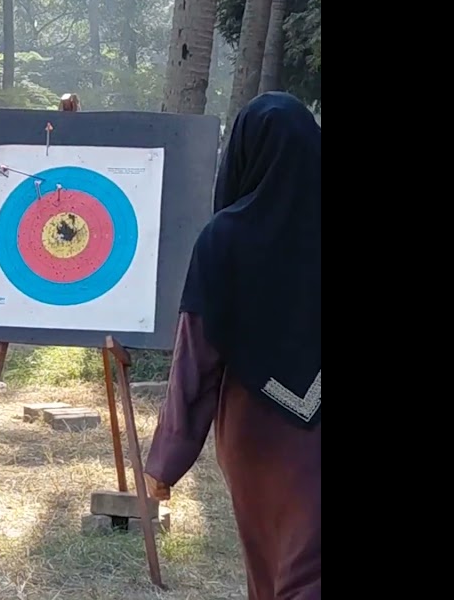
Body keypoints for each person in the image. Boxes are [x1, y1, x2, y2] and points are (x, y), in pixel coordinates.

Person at [144, 92, 321, 600]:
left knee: (274, 568)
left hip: (257, 433)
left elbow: (196, 360)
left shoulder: (224, 239)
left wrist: (167, 459)